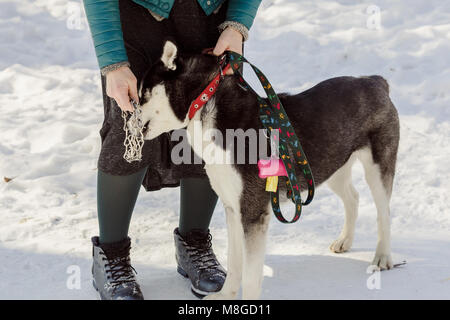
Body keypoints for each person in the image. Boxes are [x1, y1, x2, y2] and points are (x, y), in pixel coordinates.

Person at [83, 0, 262, 300]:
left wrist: (236, 26)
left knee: (208, 126)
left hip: (210, 19)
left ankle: (194, 242)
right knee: (130, 128)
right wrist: (113, 62)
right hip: (134, 21)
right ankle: (111, 256)